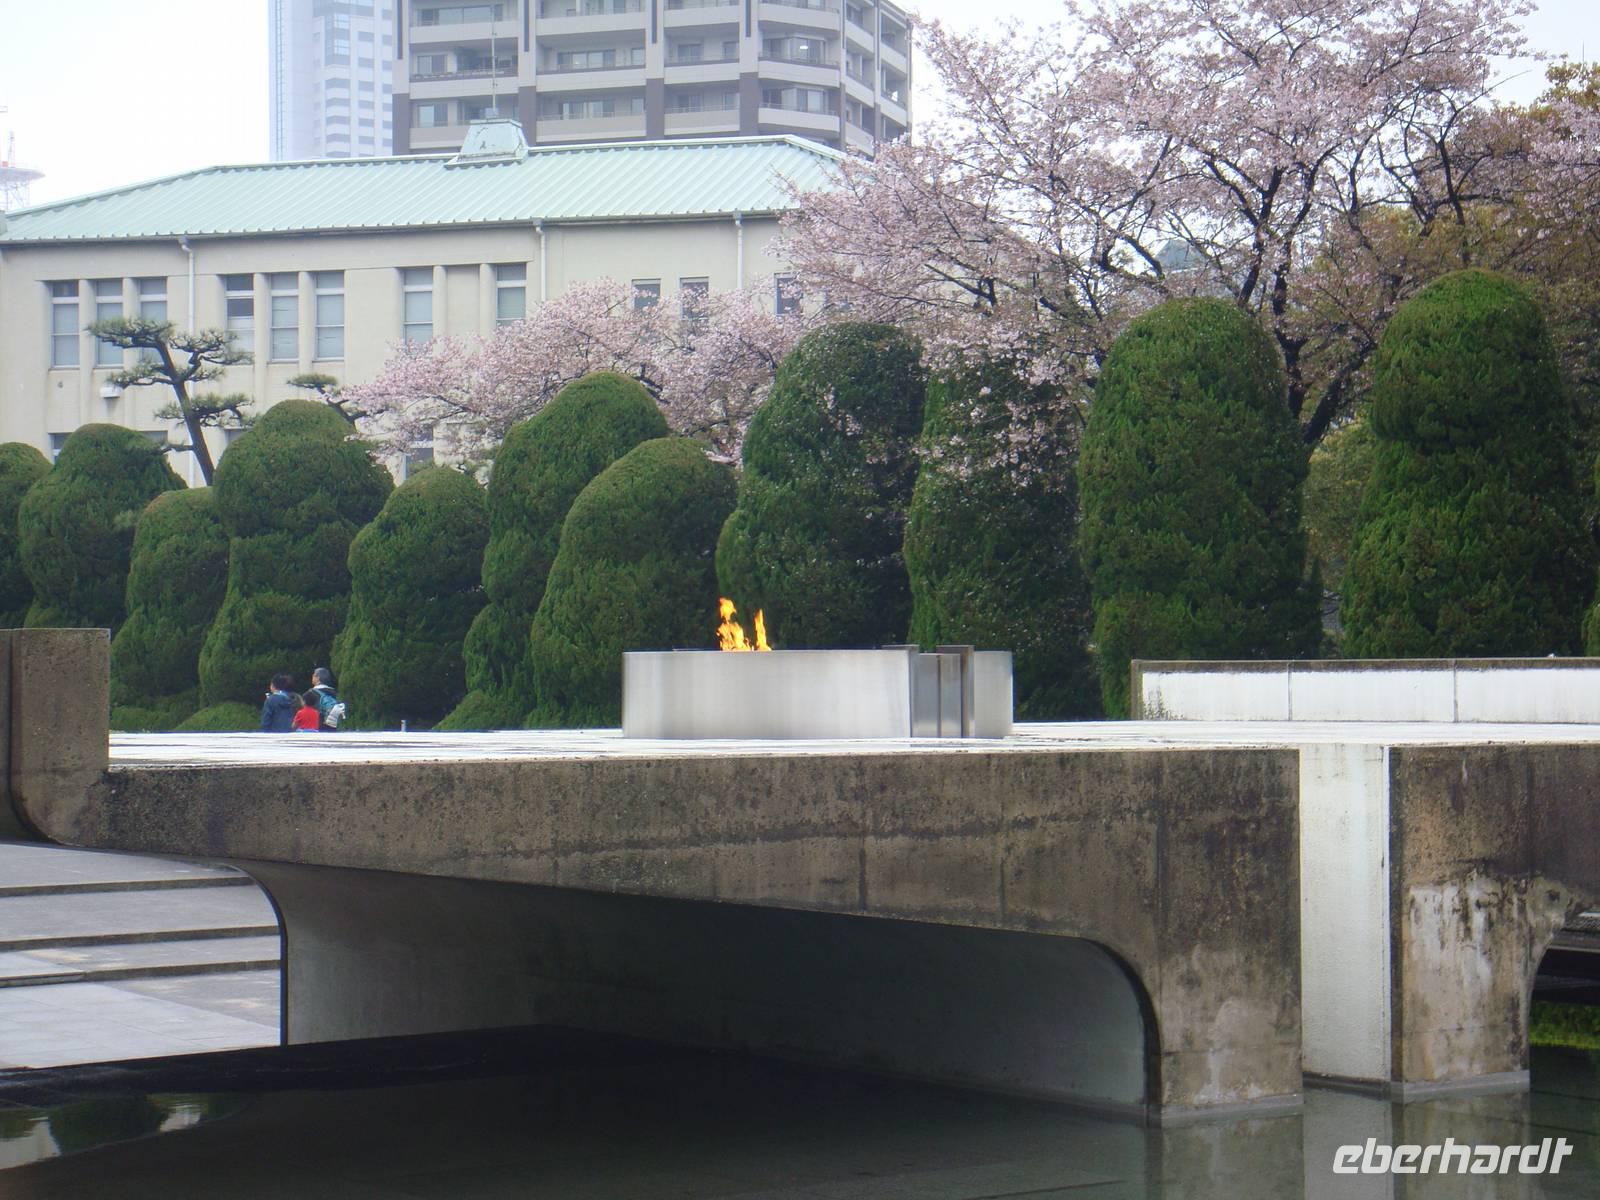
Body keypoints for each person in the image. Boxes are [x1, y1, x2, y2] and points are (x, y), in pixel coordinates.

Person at [307, 666, 341, 731]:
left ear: (318, 678)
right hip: (332, 725)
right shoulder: (334, 692)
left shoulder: (311, 693)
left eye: (314, 675)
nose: (312, 677)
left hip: (317, 727)